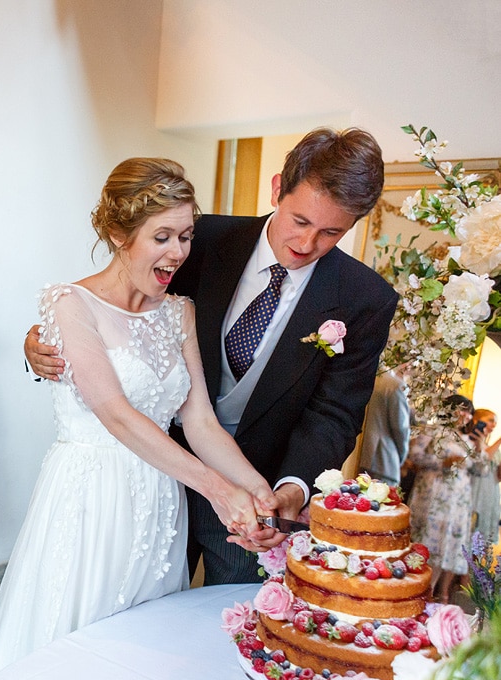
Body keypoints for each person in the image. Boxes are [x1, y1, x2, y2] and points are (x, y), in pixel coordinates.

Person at [27, 128, 398, 584]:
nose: (306, 244)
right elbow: (108, 317)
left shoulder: (366, 298)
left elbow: (335, 415)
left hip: (249, 488)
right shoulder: (197, 239)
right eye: (300, 221)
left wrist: (281, 491)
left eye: (331, 232)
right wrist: (44, 343)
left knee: (219, 628)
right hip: (135, 481)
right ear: (278, 188)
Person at [0, 159, 276, 680]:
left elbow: (201, 421)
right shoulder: (71, 303)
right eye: (162, 236)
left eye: (184, 236)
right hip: (92, 498)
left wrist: (257, 491)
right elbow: (115, 413)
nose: (179, 252)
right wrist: (217, 491)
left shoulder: (179, 311)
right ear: (119, 234)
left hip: (160, 497)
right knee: (75, 646)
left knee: (140, 656)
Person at [408, 395, 476, 602]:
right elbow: (415, 455)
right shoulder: (431, 431)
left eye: (469, 412)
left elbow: (478, 466)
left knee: (445, 545)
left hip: (457, 501)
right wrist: (443, 462)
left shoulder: (465, 439)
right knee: (426, 541)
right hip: (433, 494)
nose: (467, 415)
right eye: (463, 409)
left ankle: (432, 591)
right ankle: (414, 591)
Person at [358, 368, 411, 484]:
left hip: (358, 452)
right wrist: (401, 458)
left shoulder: (362, 374)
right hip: (383, 457)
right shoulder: (394, 385)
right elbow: (400, 428)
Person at [470, 408, 501, 545]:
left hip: (490, 492)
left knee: (482, 540)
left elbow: (497, 476)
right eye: (490, 420)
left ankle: (475, 565)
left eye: (495, 423)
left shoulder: (493, 447)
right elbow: (482, 461)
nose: (494, 425)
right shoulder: (471, 442)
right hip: (474, 489)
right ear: (477, 420)